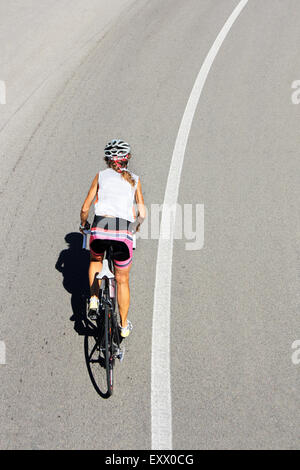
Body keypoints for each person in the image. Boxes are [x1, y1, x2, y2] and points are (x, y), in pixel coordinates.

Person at [79, 140, 146, 338]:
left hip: (100, 228)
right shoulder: (135, 179)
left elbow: (85, 208)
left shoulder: (100, 176)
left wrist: (84, 225)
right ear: (127, 160)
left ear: (107, 159)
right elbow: (142, 212)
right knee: (122, 280)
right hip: (122, 232)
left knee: (95, 260)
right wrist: (135, 227)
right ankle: (124, 326)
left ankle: (93, 298)